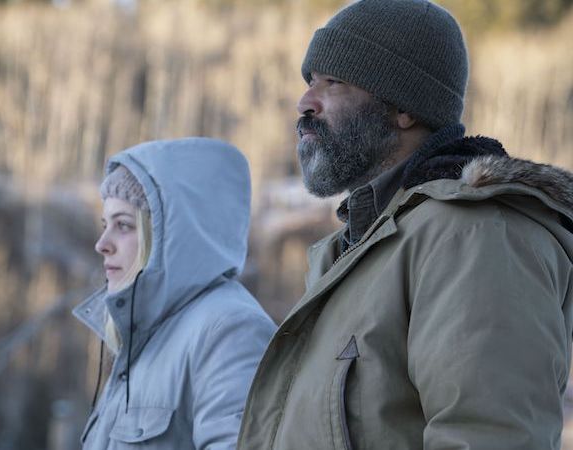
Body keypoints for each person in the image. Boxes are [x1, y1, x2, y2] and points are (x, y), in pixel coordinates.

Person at [237, 1, 573, 449]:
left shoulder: (475, 236)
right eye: (310, 81)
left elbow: (491, 435)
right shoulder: (357, 246)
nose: (305, 102)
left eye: (333, 81)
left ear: (404, 109)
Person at [73, 137, 276, 449]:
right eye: (105, 225)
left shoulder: (229, 331)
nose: (102, 244)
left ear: (170, 236)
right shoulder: (148, 336)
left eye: (123, 225)